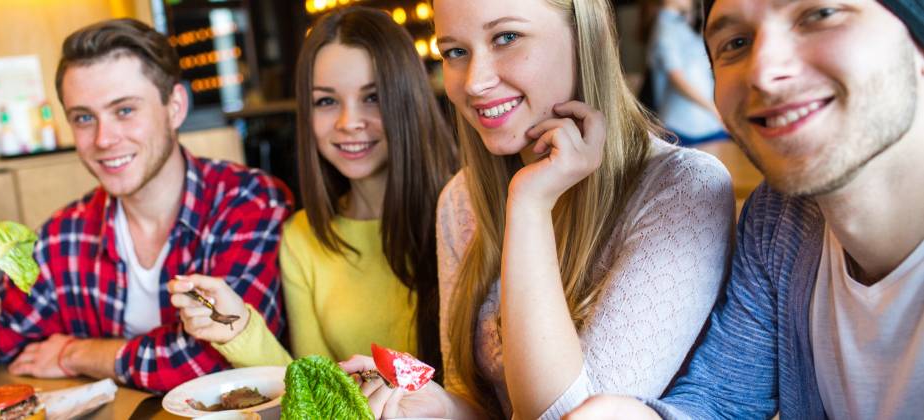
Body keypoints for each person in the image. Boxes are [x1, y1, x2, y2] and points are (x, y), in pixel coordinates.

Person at [340, 0, 735, 418]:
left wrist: (529, 204)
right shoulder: (461, 198)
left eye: (506, 37)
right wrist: (434, 406)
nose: (475, 82)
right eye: (455, 51)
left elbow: (567, 416)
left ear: (587, 37)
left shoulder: (683, 190)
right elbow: (480, 402)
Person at [566, 0, 924, 418]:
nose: (763, 72)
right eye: (735, 43)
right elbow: (723, 399)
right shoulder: (780, 220)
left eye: (820, 14)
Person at [0, 18, 293, 393]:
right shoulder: (66, 233)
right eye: (84, 118)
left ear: (174, 106)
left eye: (124, 110)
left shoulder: (250, 202)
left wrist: (79, 353)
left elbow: (213, 360)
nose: (104, 139)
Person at [168, 6, 456, 373]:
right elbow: (316, 388)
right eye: (326, 101)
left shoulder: (463, 212)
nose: (348, 122)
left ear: (408, 99)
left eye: (373, 97)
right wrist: (237, 326)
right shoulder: (301, 237)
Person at [646, 0, 728, 145]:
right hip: (686, 126)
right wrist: (714, 108)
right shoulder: (665, 28)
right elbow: (676, 78)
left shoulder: (678, 24)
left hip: (704, 122)